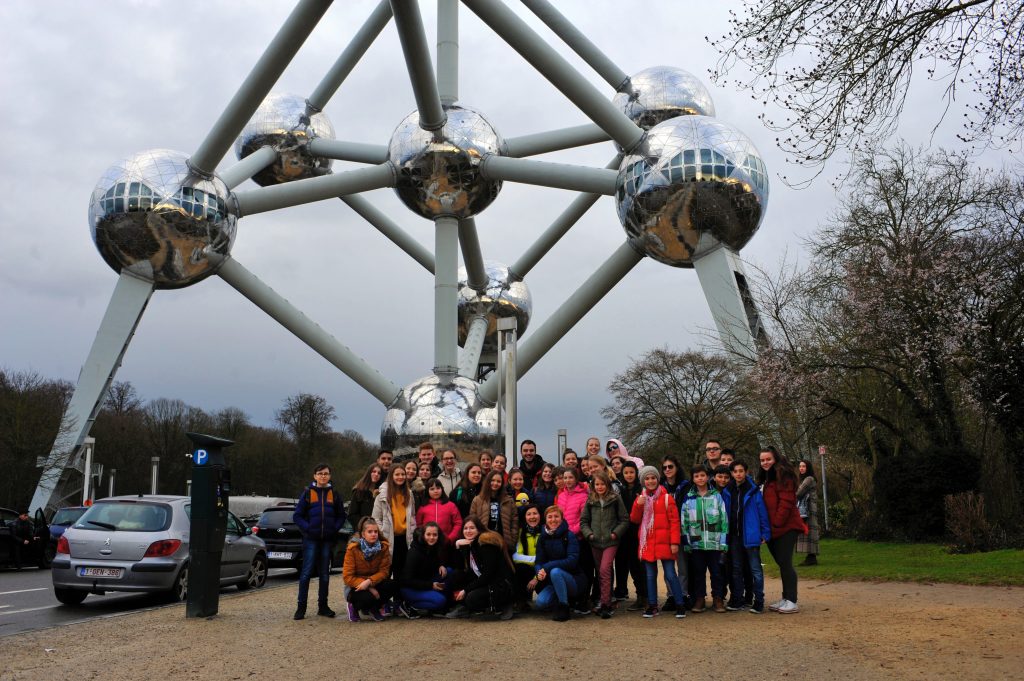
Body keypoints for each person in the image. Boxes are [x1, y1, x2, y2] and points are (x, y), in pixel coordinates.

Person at [292, 463, 346, 620]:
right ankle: (301, 607)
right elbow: (297, 515)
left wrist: (334, 529)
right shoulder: (308, 493)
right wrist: (308, 528)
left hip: (327, 539)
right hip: (311, 539)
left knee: (324, 574)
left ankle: (323, 606)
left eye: (326, 473)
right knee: (306, 573)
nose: (323, 476)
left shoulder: (334, 494)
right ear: (314, 476)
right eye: (320, 473)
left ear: (330, 476)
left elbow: (341, 515)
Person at [631, 465, 686, 619]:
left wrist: (675, 542)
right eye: (647, 479)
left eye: (653, 478)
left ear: (657, 479)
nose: (650, 481)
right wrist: (638, 505)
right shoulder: (640, 498)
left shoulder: (667, 497)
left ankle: (679, 603)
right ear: (643, 481)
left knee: (670, 574)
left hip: (665, 542)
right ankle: (653, 605)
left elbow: (675, 522)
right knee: (650, 575)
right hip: (648, 543)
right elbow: (634, 519)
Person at [757, 447, 806, 614]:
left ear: (775, 458)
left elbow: (786, 502)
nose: (765, 463)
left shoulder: (783, 475)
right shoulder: (766, 478)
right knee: (782, 563)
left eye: (768, 459)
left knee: (785, 563)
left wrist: (776, 523)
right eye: (762, 460)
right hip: (773, 529)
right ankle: (786, 598)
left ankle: (792, 600)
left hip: (786, 527)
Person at [580, 472, 629, 618]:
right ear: (593, 486)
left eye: (602, 484)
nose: (600, 487)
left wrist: (615, 534)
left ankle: (606, 603)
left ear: (607, 485)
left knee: (605, 569)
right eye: (597, 484)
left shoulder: (615, 499)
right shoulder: (590, 500)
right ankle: (603, 600)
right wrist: (589, 534)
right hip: (595, 541)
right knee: (599, 572)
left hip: (610, 541)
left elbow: (624, 519)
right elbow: (583, 521)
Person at [681, 465, 729, 613]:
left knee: (716, 573)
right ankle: (700, 598)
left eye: (702, 475)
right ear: (693, 479)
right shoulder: (689, 498)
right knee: (698, 573)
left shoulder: (716, 496)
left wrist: (723, 542)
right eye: (696, 476)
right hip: (696, 544)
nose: (700, 478)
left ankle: (718, 598)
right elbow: (684, 522)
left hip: (714, 543)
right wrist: (687, 542)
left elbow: (724, 519)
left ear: (708, 477)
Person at [446, 517, 515, 620]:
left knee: (471, 598)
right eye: (465, 528)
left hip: (500, 585)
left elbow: (488, 574)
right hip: (485, 581)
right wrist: (457, 546)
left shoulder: (486, 544)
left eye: (472, 528)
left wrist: (466, 590)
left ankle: (504, 604)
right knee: (457, 574)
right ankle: (463, 608)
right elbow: (459, 567)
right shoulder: (471, 544)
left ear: (479, 529)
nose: (468, 531)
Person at [726, 459, 770, 614]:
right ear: (731, 473)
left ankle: (759, 601)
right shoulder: (727, 490)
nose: (738, 474)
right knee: (736, 569)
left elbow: (762, 512)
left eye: (741, 471)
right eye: (735, 471)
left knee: (755, 569)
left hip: (750, 534)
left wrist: (765, 532)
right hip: (734, 536)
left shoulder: (753, 490)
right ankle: (738, 599)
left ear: (746, 472)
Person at [534, 506, 586, 622]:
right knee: (540, 603)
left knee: (555, 571)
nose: (553, 520)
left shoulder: (569, 535)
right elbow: (538, 561)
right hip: (552, 581)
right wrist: (539, 572)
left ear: (562, 519)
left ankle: (564, 606)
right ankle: (560, 598)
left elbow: (572, 561)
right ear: (545, 520)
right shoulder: (542, 538)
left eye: (556, 516)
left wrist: (546, 567)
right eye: (550, 517)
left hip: (573, 579)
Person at [342, 516, 394, 622]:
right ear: (363, 534)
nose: (373, 534)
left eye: (375, 531)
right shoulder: (353, 549)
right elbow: (347, 577)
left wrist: (370, 581)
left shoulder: (383, 548)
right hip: (356, 586)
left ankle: (374, 608)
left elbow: (384, 571)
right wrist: (368, 586)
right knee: (368, 597)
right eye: (370, 532)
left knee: (393, 585)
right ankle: (353, 606)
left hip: (373, 581)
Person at [372, 463, 416, 586]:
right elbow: (376, 518)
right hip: (388, 538)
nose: (400, 477)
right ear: (391, 476)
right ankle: (383, 602)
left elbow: (412, 517)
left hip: (404, 538)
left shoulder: (409, 494)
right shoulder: (382, 495)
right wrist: (382, 533)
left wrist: (412, 533)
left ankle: (398, 601)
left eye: (403, 474)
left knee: (401, 572)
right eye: (397, 474)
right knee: (386, 571)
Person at [399, 522, 453, 616]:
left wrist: (441, 565)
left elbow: (440, 560)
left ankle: (437, 603)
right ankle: (409, 605)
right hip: (410, 588)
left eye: (434, 535)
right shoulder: (414, 553)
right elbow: (406, 580)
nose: (431, 537)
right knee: (440, 601)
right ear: (423, 535)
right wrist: (430, 585)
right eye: (428, 534)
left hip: (426, 582)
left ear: (438, 536)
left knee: (448, 571)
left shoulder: (435, 546)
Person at [614, 461, 646, 610]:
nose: (629, 475)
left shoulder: (642, 489)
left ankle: (643, 596)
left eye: (631, 472)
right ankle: (624, 592)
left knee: (638, 566)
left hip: (638, 531)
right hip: (624, 531)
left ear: (636, 473)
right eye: (626, 473)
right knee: (624, 564)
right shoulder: (621, 490)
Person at [659, 454, 690, 612]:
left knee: (683, 566)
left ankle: (683, 594)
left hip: (683, 529)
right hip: (666, 530)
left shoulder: (686, 486)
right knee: (668, 566)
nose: (667, 470)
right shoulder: (660, 487)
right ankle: (671, 595)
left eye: (670, 466)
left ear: (677, 468)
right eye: (664, 467)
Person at [470, 470, 519, 550]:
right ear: (487, 481)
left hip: (504, 542)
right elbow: (473, 521)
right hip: (483, 542)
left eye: (498, 481)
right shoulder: (477, 500)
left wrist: (512, 541)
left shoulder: (509, 501)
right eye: (492, 480)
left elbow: (514, 523)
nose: (495, 483)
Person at [512, 504, 543, 610]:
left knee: (544, 603)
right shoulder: (521, 533)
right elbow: (516, 557)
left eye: (535, 513)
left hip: (543, 570)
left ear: (540, 515)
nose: (532, 517)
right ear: (524, 517)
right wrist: (536, 559)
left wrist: (536, 578)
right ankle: (521, 600)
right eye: (528, 514)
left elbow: (549, 558)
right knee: (520, 568)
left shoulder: (546, 531)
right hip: (530, 568)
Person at [415, 478, 462, 549]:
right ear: (427, 491)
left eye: (438, 488)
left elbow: (458, 523)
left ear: (442, 489)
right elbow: (418, 524)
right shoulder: (423, 507)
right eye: (432, 489)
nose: (435, 491)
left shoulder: (451, 505)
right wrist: (424, 537)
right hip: (427, 543)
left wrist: (450, 538)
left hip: (446, 544)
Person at [796, 459, 821, 566]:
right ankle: (811, 557)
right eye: (800, 466)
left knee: (809, 531)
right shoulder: (807, 479)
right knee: (809, 531)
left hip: (808, 509)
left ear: (808, 468)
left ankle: (812, 557)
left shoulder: (809, 479)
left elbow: (798, 493)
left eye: (804, 466)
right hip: (808, 509)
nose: (801, 468)